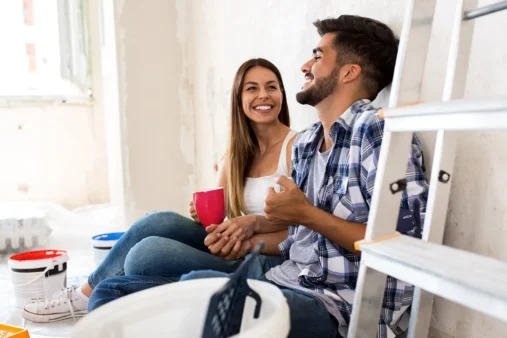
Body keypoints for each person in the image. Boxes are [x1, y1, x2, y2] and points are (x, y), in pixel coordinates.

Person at [91, 15, 429, 338]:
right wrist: (251, 229)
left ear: (348, 73)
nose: (304, 66)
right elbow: (299, 241)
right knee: (111, 292)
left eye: (317, 56)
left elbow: (402, 246)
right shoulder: (310, 143)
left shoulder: (378, 133)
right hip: (288, 277)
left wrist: (305, 215)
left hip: (336, 305)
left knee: (200, 289)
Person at [21, 58, 297, 323]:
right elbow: (217, 220)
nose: (264, 95)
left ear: (282, 94)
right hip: (236, 246)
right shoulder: (235, 155)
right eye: (252, 88)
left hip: (270, 258)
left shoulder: (297, 148)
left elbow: (305, 231)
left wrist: (247, 238)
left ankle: (106, 294)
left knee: (144, 256)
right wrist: (203, 216)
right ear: (238, 99)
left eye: (271, 86)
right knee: (158, 221)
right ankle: (85, 294)